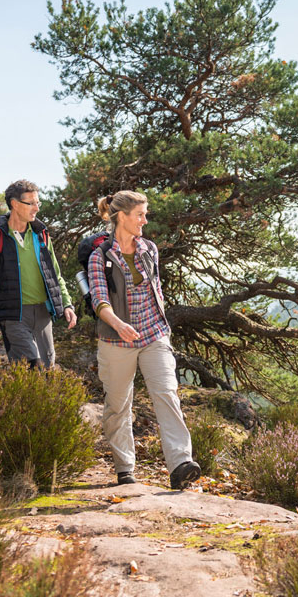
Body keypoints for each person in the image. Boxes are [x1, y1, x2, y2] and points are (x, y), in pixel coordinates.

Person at [89, 190, 201, 490]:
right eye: (140, 214)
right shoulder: (100, 256)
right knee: (118, 405)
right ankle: (125, 467)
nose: (145, 220)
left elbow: (158, 290)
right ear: (122, 217)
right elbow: (99, 300)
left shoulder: (149, 249)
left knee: (167, 393)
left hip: (153, 335)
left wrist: (163, 328)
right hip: (116, 341)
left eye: (145, 213)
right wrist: (118, 324)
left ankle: (180, 463)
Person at [0, 179, 77, 367]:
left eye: (38, 202)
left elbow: (55, 274)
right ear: (14, 204)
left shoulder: (42, 236)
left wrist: (67, 303)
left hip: (43, 314)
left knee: (47, 370)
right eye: (30, 203)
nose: (36, 208)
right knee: (32, 367)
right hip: (14, 315)